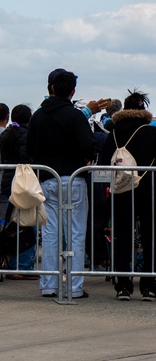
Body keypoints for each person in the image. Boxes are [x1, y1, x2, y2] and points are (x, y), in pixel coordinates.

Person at [27, 69, 96, 299]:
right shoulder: (76, 116)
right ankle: (74, 287)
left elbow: (29, 149)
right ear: (72, 91)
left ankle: (49, 284)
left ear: (51, 88)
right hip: (74, 178)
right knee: (76, 233)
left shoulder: (38, 116)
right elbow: (88, 144)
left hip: (47, 179)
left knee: (49, 234)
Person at [98, 90, 156, 301]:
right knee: (150, 236)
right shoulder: (150, 132)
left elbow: (105, 160)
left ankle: (123, 285)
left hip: (121, 190)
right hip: (147, 189)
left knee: (122, 235)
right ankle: (149, 285)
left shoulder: (113, 132)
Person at [0, 104, 38, 278]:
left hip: (8, 182)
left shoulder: (6, 134)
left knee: (13, 224)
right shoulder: (28, 135)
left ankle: (10, 260)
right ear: (29, 118)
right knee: (27, 224)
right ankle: (22, 265)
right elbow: (27, 157)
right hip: (24, 184)